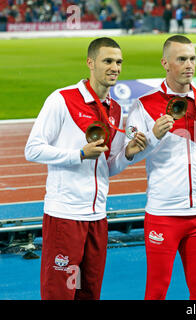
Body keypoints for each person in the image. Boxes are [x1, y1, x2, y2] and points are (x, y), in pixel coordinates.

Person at [24, 37, 147, 300]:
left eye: (118, 62)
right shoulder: (62, 99)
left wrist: (127, 154)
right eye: (108, 61)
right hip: (65, 215)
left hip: (97, 217)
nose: (115, 67)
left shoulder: (114, 109)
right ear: (90, 63)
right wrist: (78, 154)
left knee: (88, 292)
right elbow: (32, 149)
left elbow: (107, 167)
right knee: (60, 293)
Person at [116, 35, 196, 300]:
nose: (189, 65)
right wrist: (155, 134)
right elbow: (129, 154)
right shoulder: (144, 105)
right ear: (165, 63)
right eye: (182, 59)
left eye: (192, 59)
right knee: (156, 291)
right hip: (163, 213)